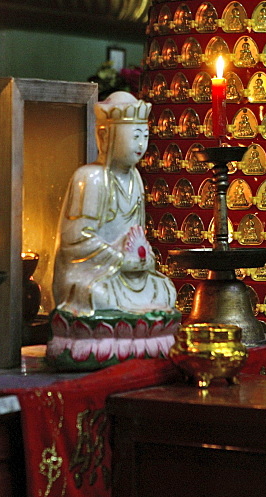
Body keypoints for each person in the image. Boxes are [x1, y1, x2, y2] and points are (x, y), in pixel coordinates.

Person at [48, 91, 179, 370]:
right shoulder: (91, 178)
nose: (142, 144)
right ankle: (121, 338)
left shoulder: (136, 179)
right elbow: (75, 239)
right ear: (107, 137)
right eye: (134, 136)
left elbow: (137, 236)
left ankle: (132, 333)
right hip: (94, 274)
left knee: (164, 290)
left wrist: (144, 260)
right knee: (100, 297)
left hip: (128, 276)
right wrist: (120, 260)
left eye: (145, 136)